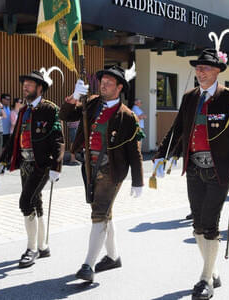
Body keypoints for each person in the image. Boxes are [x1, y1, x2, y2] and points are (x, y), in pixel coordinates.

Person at [153, 45, 229, 300]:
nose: (200, 72)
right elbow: (177, 130)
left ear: (218, 71)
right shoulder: (189, 97)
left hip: (220, 171)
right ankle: (213, 269)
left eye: (205, 67)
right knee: (197, 224)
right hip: (195, 168)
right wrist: (161, 157)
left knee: (210, 223)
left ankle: (205, 279)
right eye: (198, 68)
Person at [59, 64, 144, 282]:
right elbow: (65, 116)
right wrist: (75, 97)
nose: (103, 85)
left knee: (98, 214)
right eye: (102, 82)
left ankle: (88, 265)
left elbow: (134, 152)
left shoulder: (128, 117)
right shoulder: (93, 102)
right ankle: (113, 256)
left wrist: (138, 181)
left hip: (111, 170)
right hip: (88, 166)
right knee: (105, 213)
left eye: (108, 83)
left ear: (119, 88)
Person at [0, 68, 65, 268]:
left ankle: (31, 248)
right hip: (25, 164)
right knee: (36, 202)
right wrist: (3, 160)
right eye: (24, 84)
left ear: (40, 88)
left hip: (41, 165)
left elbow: (58, 139)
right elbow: (14, 139)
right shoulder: (24, 110)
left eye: (29, 84)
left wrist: (57, 166)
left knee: (25, 202)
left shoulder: (50, 109)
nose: (25, 86)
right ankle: (43, 246)